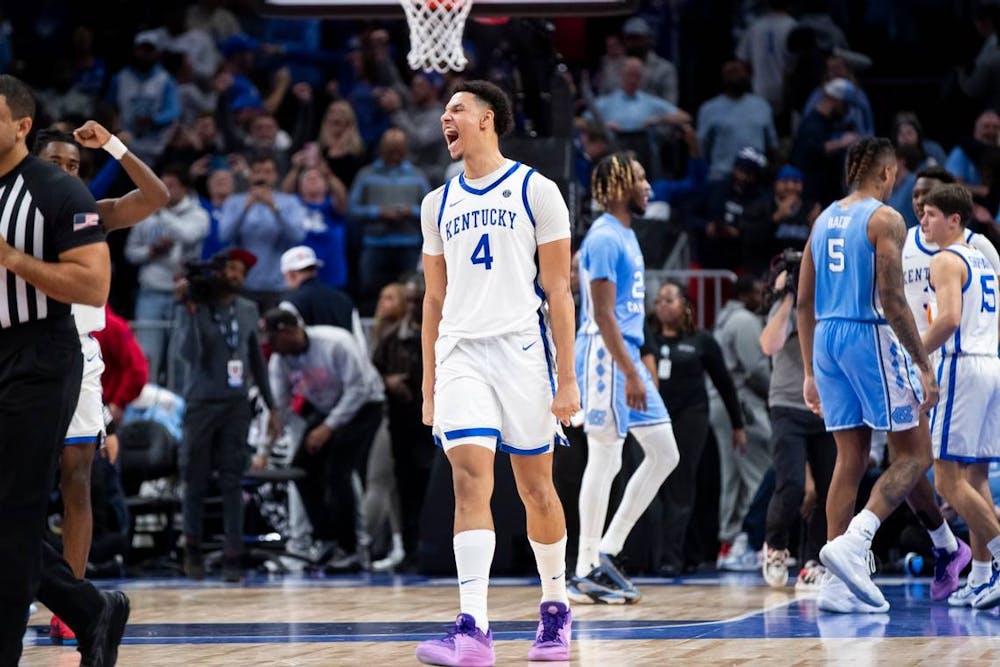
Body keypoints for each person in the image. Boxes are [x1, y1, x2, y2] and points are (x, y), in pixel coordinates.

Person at [415, 80, 579, 666]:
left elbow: (559, 291)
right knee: (469, 482)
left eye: (456, 109)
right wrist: (429, 382)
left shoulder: (538, 190)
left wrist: (568, 379)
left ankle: (555, 608)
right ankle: (472, 628)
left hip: (522, 350)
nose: (446, 119)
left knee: (535, 487)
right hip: (462, 351)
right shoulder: (436, 204)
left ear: (488, 119)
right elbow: (433, 301)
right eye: (442, 113)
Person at [0, 74, 127, 666]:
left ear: (22, 125)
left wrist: (12, 259)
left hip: (42, 354)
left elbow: (93, 282)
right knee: (8, 517)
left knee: (22, 508)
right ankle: (88, 608)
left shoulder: (59, 193)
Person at [34, 119, 167, 642]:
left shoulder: (89, 215)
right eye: (56, 164)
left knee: (77, 482)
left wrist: (112, 145)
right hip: (22, 352)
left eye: (74, 166)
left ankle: (71, 603)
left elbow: (155, 196)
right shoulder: (11, 211)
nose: (68, 173)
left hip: (80, 359)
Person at [797, 137, 939, 614]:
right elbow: (893, 298)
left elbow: (802, 302)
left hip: (825, 339)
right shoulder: (885, 218)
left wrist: (809, 372)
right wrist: (922, 363)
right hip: (867, 334)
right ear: (886, 172)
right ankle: (857, 541)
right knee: (916, 452)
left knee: (849, 458)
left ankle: (838, 586)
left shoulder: (821, 222)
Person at [571, 151, 680, 602]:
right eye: (639, 178)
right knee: (605, 456)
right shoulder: (603, 238)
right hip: (604, 351)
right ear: (618, 186)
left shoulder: (625, 235)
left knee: (664, 452)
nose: (648, 185)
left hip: (625, 352)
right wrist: (631, 373)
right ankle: (584, 568)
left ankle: (607, 552)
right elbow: (602, 314)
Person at [916, 184, 1000, 609]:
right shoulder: (981, 259)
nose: (922, 220)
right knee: (976, 479)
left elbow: (947, 319)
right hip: (989, 365)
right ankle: (983, 577)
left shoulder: (946, 259)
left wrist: (916, 352)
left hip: (962, 366)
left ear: (954, 219)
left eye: (930, 213)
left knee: (948, 479)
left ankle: (999, 560)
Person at [174, 247, 279, 582]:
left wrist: (272, 405)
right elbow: (189, 354)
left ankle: (233, 554)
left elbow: (257, 362)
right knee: (195, 478)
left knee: (234, 478)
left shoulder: (248, 309)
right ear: (218, 273)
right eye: (231, 269)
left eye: (241, 272)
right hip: (201, 403)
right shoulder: (196, 305)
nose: (236, 276)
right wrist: (192, 312)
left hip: (236, 405)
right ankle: (192, 549)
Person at [264, 308, 385, 571]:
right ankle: (327, 539)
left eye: (275, 339)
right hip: (328, 408)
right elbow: (279, 408)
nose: (272, 346)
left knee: (338, 472)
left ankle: (352, 547)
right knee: (301, 470)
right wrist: (264, 450)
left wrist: (327, 428)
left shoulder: (336, 343)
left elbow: (359, 388)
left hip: (366, 404)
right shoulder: (280, 359)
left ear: (290, 331)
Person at [643, 280, 744, 577]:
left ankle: (671, 558)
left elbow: (725, 384)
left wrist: (738, 424)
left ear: (685, 305)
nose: (662, 305)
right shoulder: (647, 338)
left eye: (669, 300)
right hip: (655, 418)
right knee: (653, 487)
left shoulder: (701, 340)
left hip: (691, 417)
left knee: (681, 486)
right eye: (659, 299)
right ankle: (679, 552)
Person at [759, 265, 836, 591]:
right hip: (787, 405)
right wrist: (791, 296)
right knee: (790, 483)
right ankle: (775, 547)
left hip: (827, 406)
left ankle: (814, 560)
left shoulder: (832, 299)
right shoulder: (784, 306)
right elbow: (769, 344)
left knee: (827, 487)